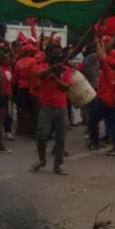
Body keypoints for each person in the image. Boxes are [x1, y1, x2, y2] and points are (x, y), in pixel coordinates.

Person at [31, 41, 73, 175]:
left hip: (61, 107)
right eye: (54, 54)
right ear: (47, 55)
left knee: (61, 137)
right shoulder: (42, 66)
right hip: (46, 107)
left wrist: (56, 79)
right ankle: (42, 160)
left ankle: (58, 165)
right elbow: (40, 75)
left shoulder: (66, 69)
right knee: (42, 135)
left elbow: (67, 87)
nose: (57, 56)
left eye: (59, 53)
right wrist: (53, 68)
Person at [93, 35, 115, 156]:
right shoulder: (114, 72)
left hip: (106, 100)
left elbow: (102, 58)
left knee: (95, 120)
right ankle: (114, 145)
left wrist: (98, 44)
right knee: (110, 123)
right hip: (109, 100)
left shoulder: (107, 68)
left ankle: (98, 143)